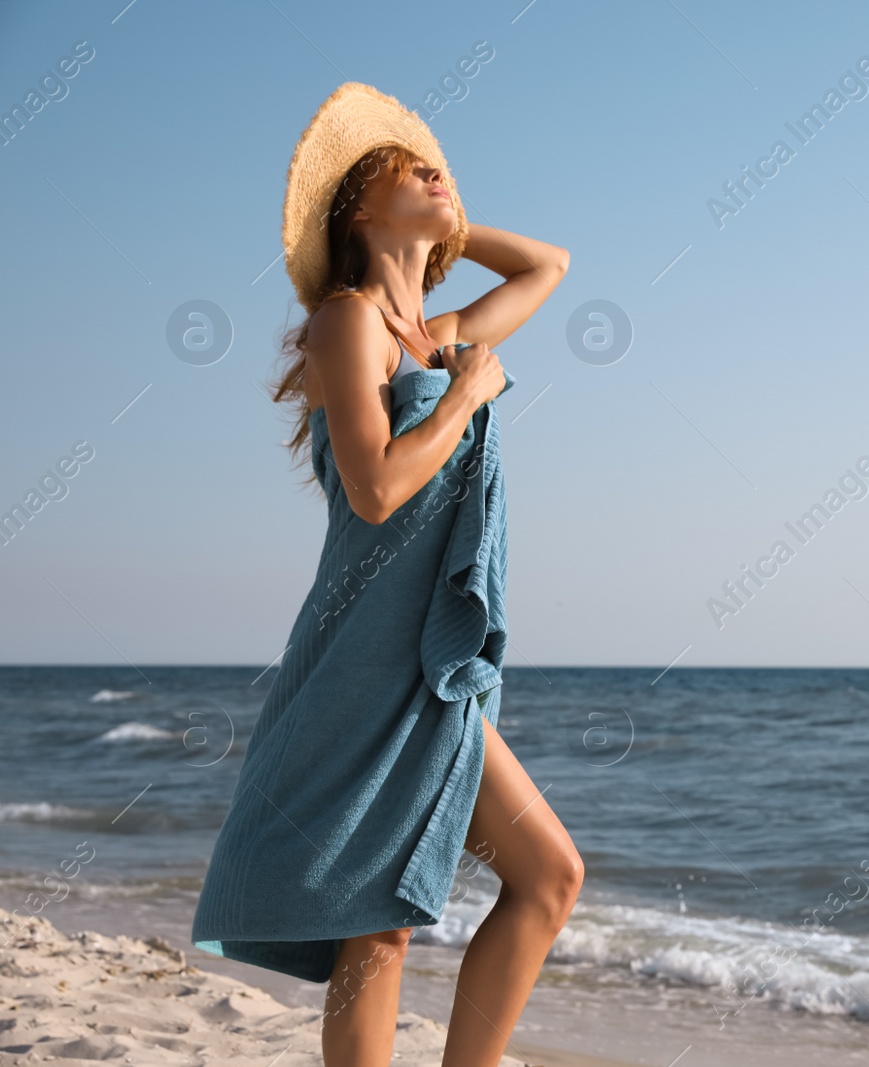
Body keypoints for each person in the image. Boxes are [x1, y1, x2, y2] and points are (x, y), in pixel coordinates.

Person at [189, 82, 579, 1067]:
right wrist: (465, 400)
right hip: (361, 657)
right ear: (358, 207)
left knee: (549, 874)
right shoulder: (346, 320)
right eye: (406, 164)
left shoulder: (433, 333)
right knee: (377, 923)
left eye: (433, 159)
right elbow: (374, 490)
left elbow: (550, 264)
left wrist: (440, 226)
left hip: (431, 663)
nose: (433, 166)